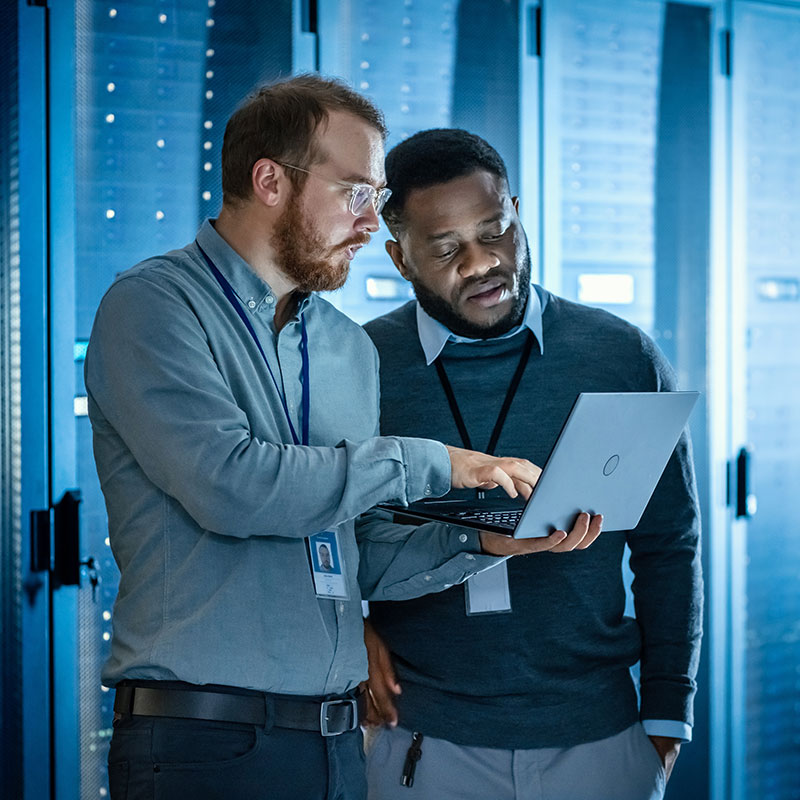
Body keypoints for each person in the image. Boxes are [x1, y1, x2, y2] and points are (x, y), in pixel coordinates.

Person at [84, 77, 593, 800]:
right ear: (269, 181)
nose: (370, 224)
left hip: (335, 746)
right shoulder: (154, 307)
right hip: (203, 744)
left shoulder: (346, 349)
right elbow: (233, 486)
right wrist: (435, 462)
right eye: (356, 193)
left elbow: (358, 554)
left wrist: (482, 543)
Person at [360, 129, 703, 800]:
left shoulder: (618, 354)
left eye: (496, 231)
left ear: (517, 211)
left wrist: (665, 719)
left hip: (599, 742)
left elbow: (670, 546)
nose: (484, 262)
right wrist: (353, 630)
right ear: (401, 259)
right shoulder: (363, 368)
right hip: (422, 744)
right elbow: (325, 535)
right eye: (447, 248)